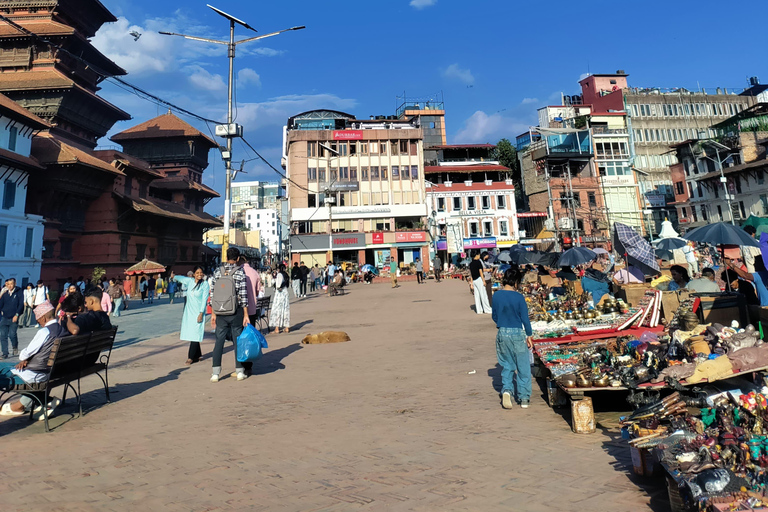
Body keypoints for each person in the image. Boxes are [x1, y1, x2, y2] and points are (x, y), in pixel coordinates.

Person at [0, 302, 64, 419]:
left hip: (35, 373)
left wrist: (25, 358)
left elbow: (24, 353)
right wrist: (27, 359)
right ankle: (44, 402)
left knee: (2, 369)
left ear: (43, 317)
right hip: (50, 370)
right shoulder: (62, 329)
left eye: (38, 319)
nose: (38, 322)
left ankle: (43, 402)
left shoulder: (44, 332)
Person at [491, 268, 533, 409]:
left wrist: (501, 323)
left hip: (502, 332)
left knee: (507, 365)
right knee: (523, 367)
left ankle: (507, 390)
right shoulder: (519, 297)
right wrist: (529, 335)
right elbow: (525, 319)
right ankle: (524, 398)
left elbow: (494, 316)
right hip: (517, 333)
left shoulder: (496, 295)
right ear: (516, 282)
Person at [209, 247, 251, 382]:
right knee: (237, 340)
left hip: (220, 312)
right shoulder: (240, 272)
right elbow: (243, 295)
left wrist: (214, 313)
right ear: (238, 259)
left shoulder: (217, 272)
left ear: (226, 257)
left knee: (219, 341)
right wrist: (246, 314)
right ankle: (239, 371)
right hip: (235, 311)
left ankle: (215, 373)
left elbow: (212, 294)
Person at [170, 267, 209, 365]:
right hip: (189, 311)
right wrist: (173, 277)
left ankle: (191, 357)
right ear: (194, 274)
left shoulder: (204, 285)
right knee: (192, 332)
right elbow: (180, 278)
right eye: (197, 273)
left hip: (198, 311)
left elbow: (204, 300)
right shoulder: (190, 281)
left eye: (201, 273)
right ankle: (198, 354)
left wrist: (201, 313)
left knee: (196, 332)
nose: (199, 274)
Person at [0, 278, 23, 358]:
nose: (10, 286)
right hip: (5, 317)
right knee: (3, 336)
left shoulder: (19, 292)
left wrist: (17, 315)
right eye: (8, 284)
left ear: (15, 284)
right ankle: (5, 353)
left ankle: (15, 346)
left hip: (14, 317)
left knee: (12, 334)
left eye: (11, 284)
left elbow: (21, 304)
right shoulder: (5, 294)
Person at [238, 255, 263, 326]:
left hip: (240, 308)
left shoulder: (238, 272)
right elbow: (257, 292)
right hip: (252, 307)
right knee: (251, 329)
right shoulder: (255, 272)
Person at [270, 263, 291, 334]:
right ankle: (287, 327)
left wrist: (274, 282)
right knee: (285, 310)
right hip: (285, 293)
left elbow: (278, 286)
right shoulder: (286, 275)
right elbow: (287, 285)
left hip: (280, 294)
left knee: (278, 310)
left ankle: (277, 328)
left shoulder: (279, 275)